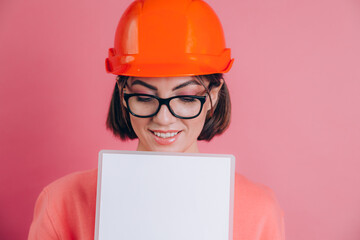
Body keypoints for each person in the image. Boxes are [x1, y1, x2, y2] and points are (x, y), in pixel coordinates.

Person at [28, 0, 285, 239]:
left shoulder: (259, 210)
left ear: (213, 97)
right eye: (143, 96)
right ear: (123, 94)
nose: (163, 118)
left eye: (185, 98)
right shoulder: (61, 203)